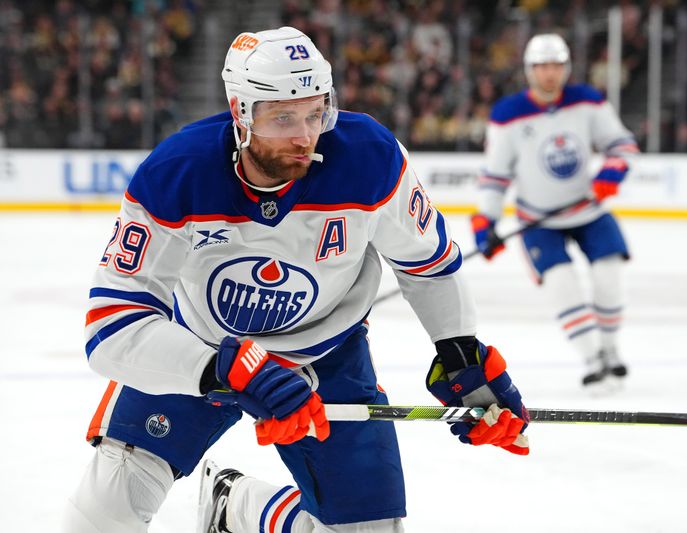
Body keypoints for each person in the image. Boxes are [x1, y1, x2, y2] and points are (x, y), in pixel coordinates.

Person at [63, 27, 529, 533]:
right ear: (241, 113)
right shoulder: (177, 171)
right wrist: (227, 370)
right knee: (100, 515)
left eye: (314, 113)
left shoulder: (370, 158)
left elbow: (429, 263)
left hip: (325, 353)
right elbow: (109, 328)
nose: (305, 136)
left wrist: (459, 353)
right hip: (202, 346)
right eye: (283, 118)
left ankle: (236, 505)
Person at [471, 33, 640, 390]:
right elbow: (495, 175)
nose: (550, 73)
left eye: (556, 65)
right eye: (542, 66)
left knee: (610, 277)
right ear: (530, 70)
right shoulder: (508, 115)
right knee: (562, 284)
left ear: (566, 68)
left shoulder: (588, 101)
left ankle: (610, 351)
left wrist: (613, 169)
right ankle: (592, 359)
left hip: (590, 211)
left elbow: (622, 143)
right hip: (538, 220)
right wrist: (486, 219)